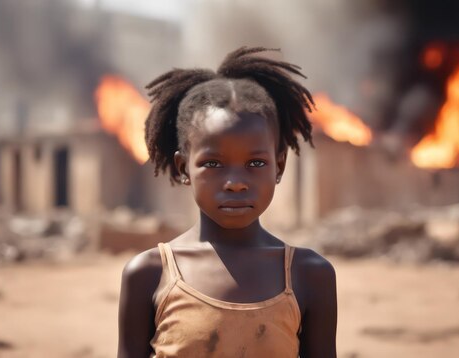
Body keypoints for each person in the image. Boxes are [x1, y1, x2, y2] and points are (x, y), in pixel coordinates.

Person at [118, 47, 337, 358]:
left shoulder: (309, 274)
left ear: (280, 167)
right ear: (184, 169)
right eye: (214, 164)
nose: (235, 182)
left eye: (256, 164)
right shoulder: (150, 274)